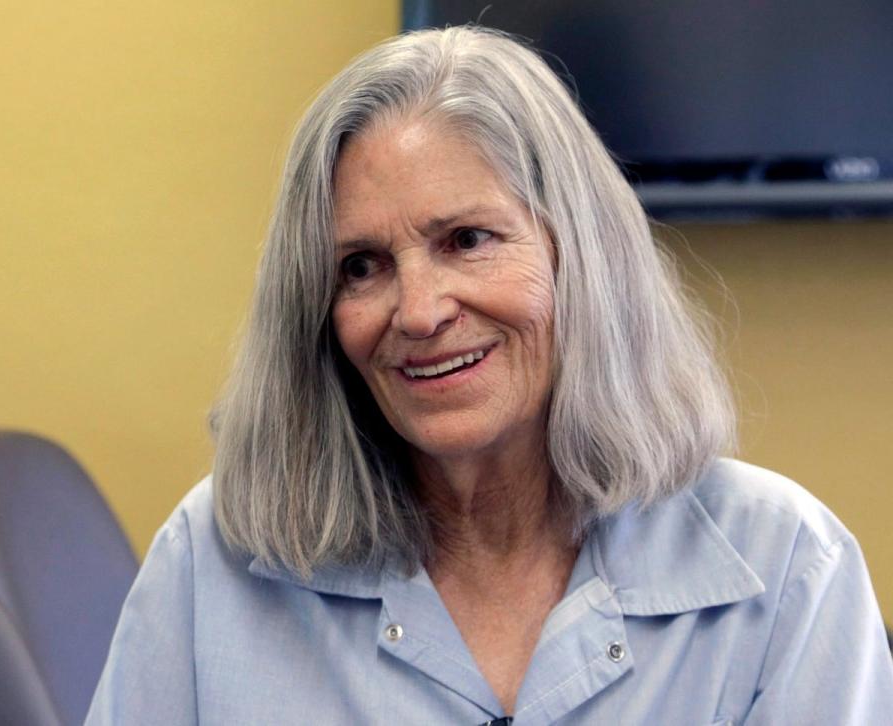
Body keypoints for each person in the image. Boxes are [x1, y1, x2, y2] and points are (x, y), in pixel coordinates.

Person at [86, 26, 893, 724]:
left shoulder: (786, 566)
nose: (419, 311)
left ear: (579, 255)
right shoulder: (213, 561)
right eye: (360, 266)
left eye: (467, 239)